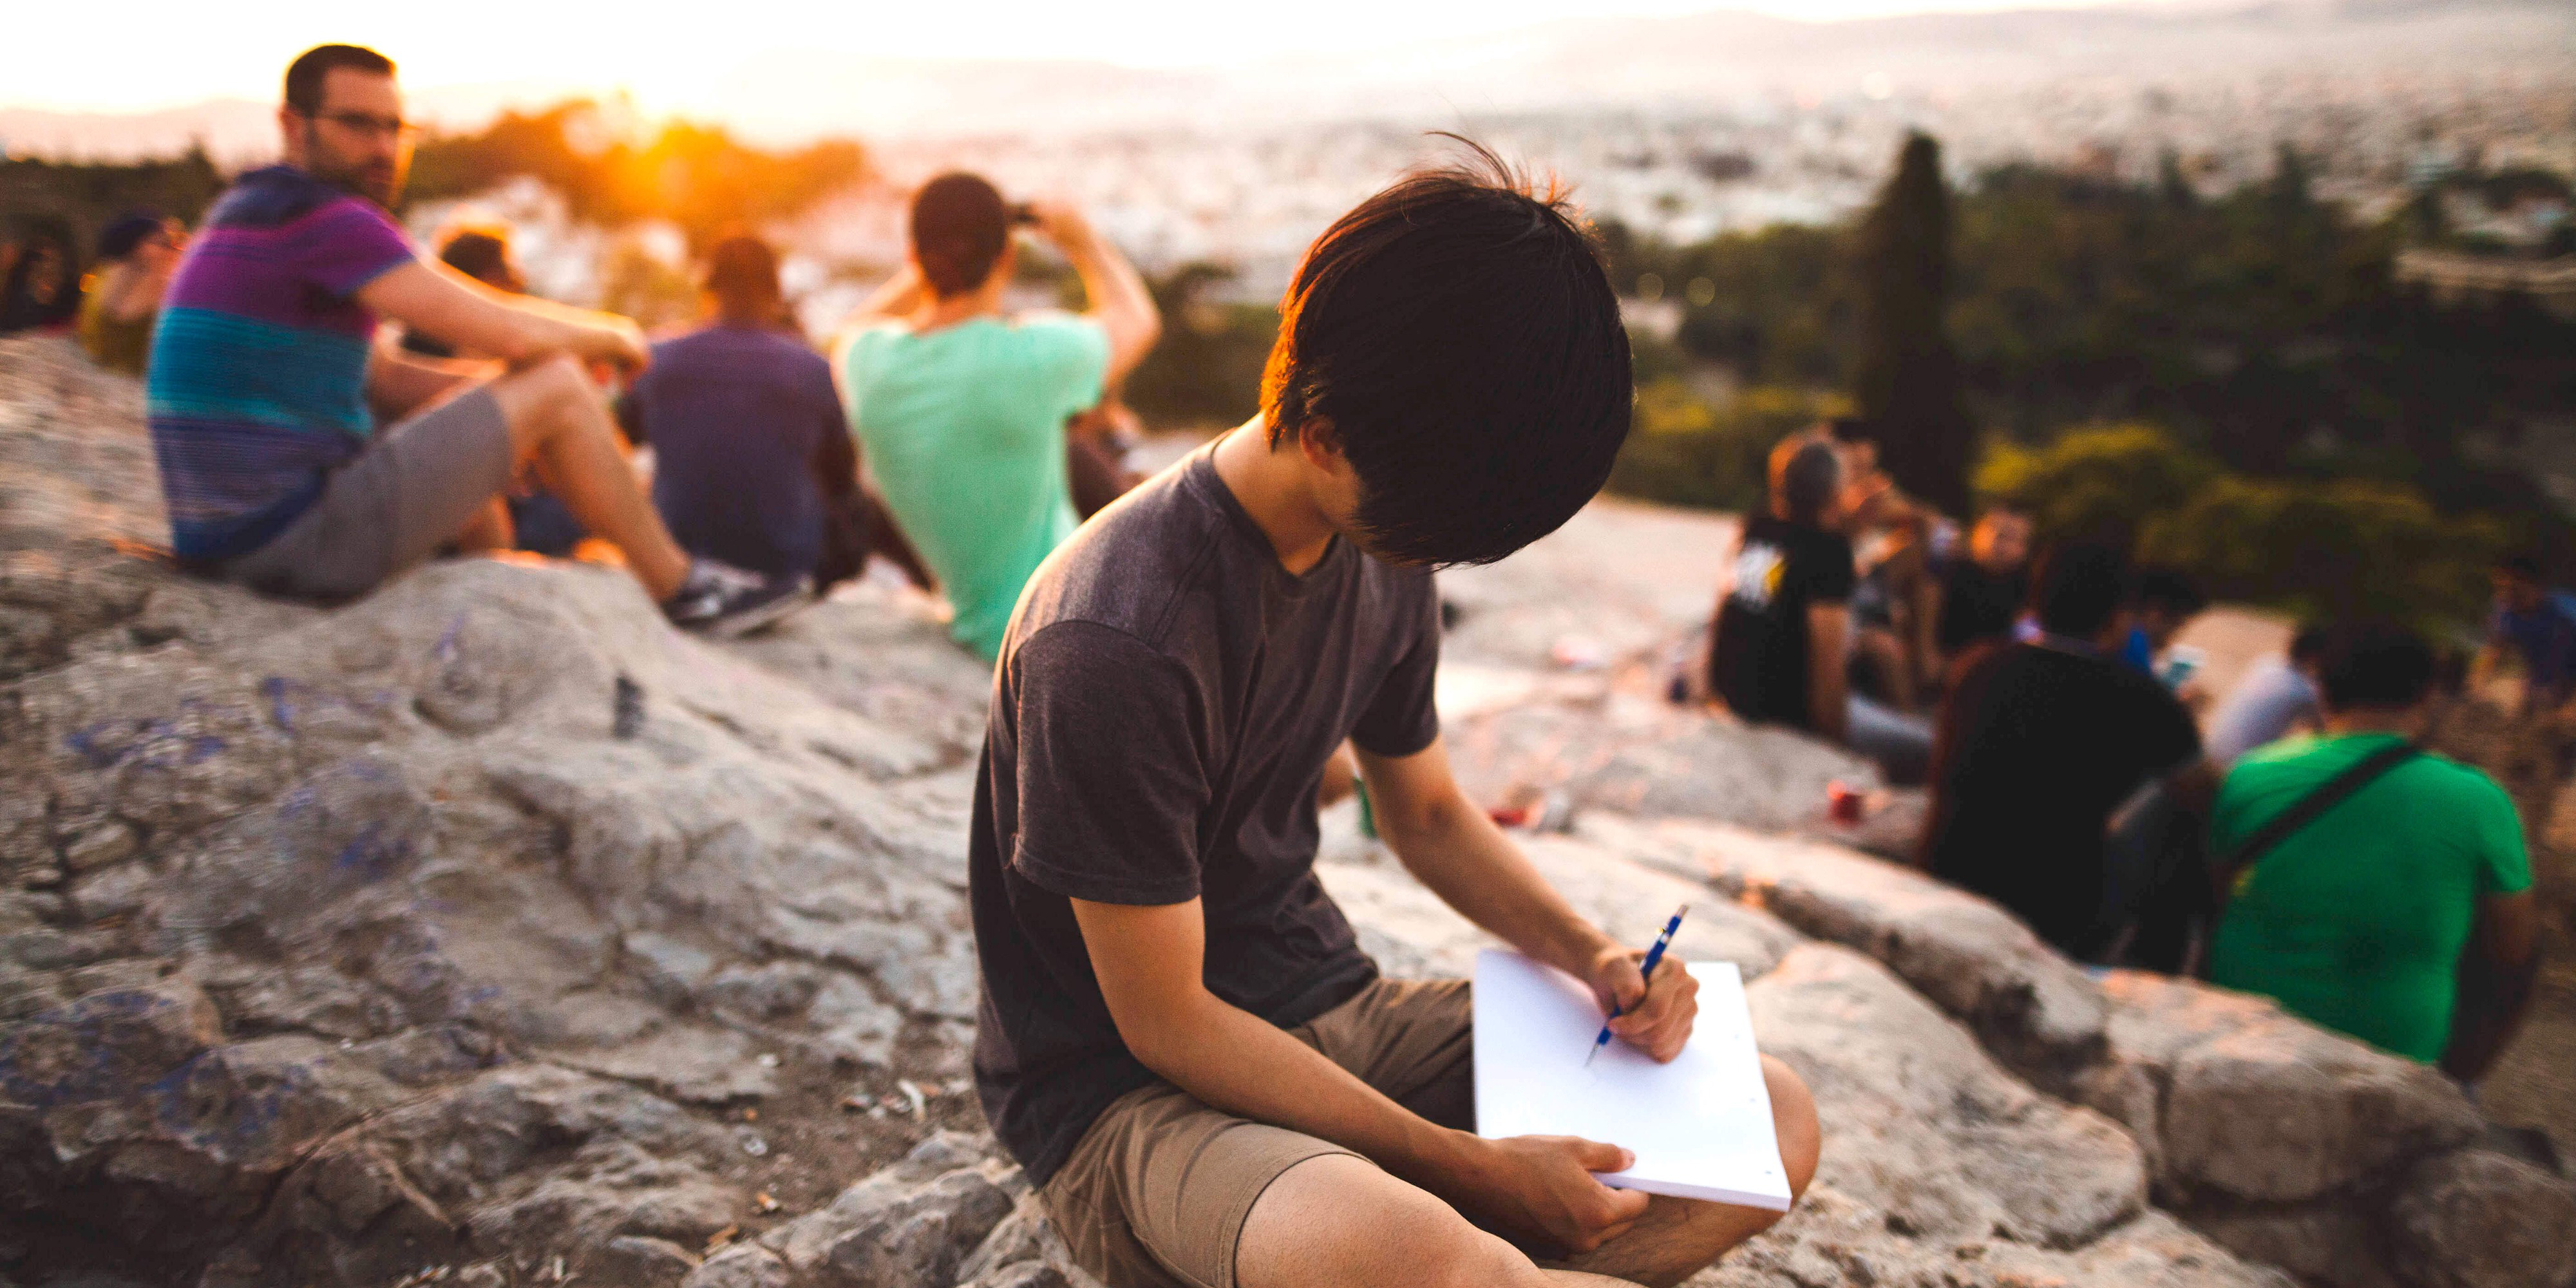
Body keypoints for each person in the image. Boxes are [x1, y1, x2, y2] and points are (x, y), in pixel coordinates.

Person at [969, 150, 1817, 1288]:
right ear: (1322, 433)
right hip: (1134, 1100)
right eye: (1441, 531)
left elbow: (1420, 810)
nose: (1445, 554)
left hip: (1334, 1008)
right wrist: (1471, 1169)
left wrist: (1595, 956)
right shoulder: (1117, 636)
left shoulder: (1383, 518)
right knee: (1432, 1256)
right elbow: (1166, 1021)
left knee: (1770, 1116)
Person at [146, 44, 792, 631]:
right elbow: (506, 329)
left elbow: (387, 378)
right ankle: (687, 592)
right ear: (294, 125)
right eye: (357, 124)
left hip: (227, 536)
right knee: (560, 386)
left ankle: (503, 601)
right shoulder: (322, 216)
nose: (381, 147)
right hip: (290, 538)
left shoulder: (251, 210)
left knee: (520, 410)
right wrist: (614, 336)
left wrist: (507, 418)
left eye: (394, 128)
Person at [835, 174, 1160, 661]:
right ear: (1006, 259)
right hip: (1066, 626)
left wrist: (929, 267)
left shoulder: (865, 362)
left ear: (913, 258)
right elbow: (1138, 320)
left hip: (980, 627)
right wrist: (1083, 241)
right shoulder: (1028, 358)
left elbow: (856, 325)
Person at [2210, 623, 2540, 1078]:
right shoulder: (2480, 800)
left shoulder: (2250, 775)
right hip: (2390, 1067)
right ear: (2427, 697)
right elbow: (2511, 954)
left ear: (2321, 691)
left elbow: (2212, 896)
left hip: (2238, 1045)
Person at [1919, 543, 2220, 958]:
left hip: (1943, 873)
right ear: (2117, 620)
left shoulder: (1978, 667)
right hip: (2052, 912)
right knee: (2176, 814)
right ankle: (2155, 965)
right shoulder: (2141, 699)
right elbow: (2202, 793)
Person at [622, 233, 849, 585]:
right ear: (775, 294)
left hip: (679, 554)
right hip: (784, 561)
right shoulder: (814, 371)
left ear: (708, 290)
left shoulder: (658, 360)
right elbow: (840, 475)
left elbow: (624, 435)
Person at [1707, 434, 1933, 782]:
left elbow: (1731, 618)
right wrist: (1835, 749)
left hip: (1736, 697)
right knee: (1930, 747)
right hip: (1787, 714)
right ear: (1834, 493)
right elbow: (1827, 681)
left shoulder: (1758, 529)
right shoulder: (1827, 554)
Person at [2204, 623, 2330, 766]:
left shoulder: (2266, 662)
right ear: (2315, 656)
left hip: (2211, 753)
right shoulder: (2306, 690)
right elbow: (2325, 736)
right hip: (2242, 768)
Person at [77, 212, 185, 374]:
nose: (170, 250)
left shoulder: (105, 273)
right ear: (136, 246)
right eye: (161, 243)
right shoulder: (158, 285)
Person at [1933, 506, 2032, 674]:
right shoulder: (1949, 572)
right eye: (2001, 536)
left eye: (2016, 539)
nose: (2005, 547)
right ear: (1977, 532)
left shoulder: (2025, 586)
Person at [2480, 553, 2576, 715]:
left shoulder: (2566, 612)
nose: (2503, 596)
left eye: (2512, 589)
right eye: (2499, 588)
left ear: (2536, 586)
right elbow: (2493, 652)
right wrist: (2477, 688)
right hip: (2542, 683)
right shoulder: (2504, 612)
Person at [0, 220, 80, 334]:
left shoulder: (70, 302)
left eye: (56, 265)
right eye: (40, 259)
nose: (48, 266)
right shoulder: (15, 299)